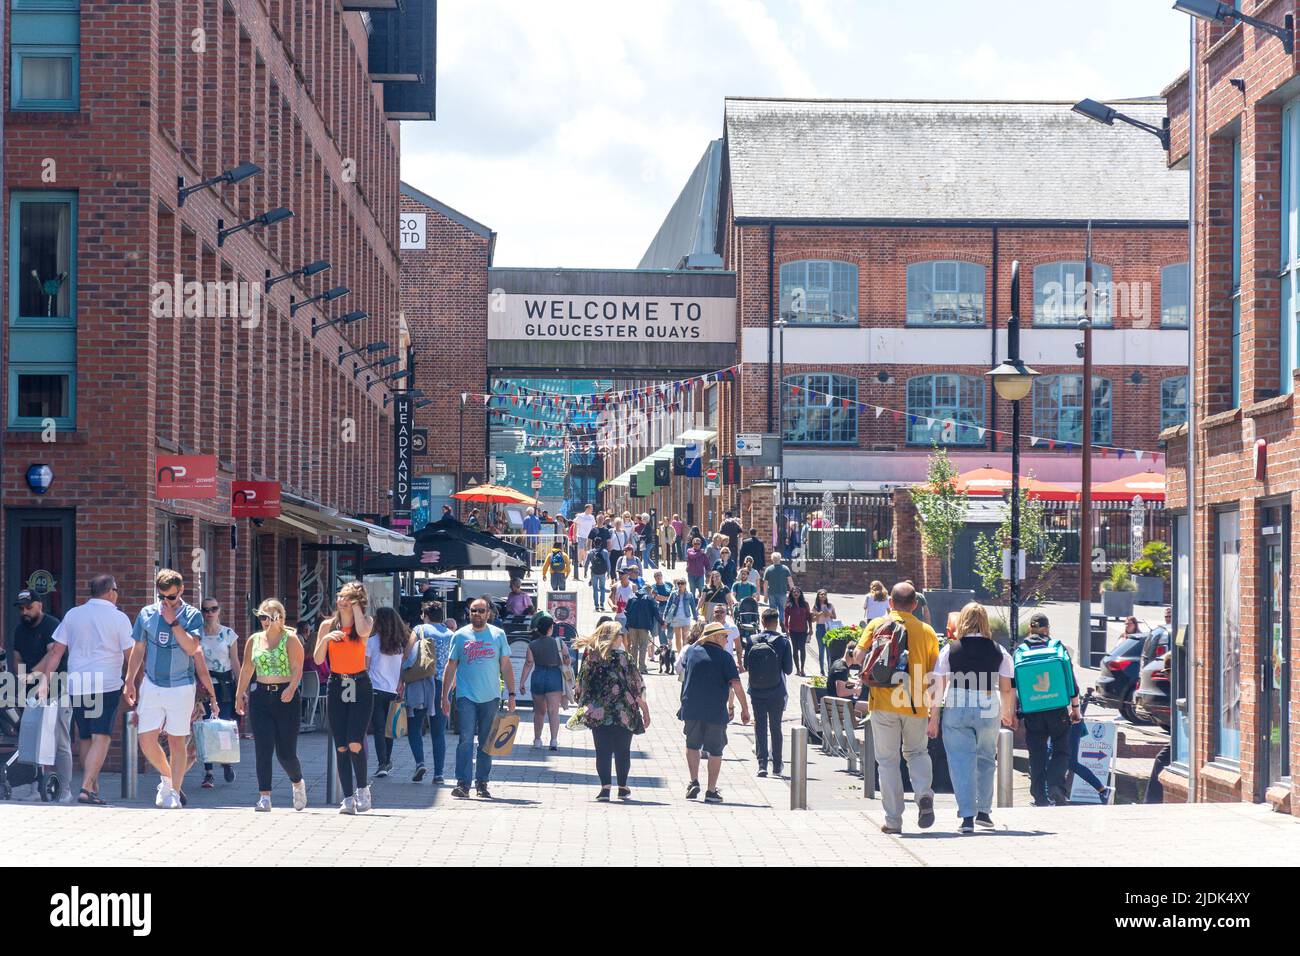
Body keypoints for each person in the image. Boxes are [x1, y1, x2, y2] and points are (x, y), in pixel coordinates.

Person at [124, 569, 220, 810]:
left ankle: (174, 792)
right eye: (162, 597)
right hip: (152, 683)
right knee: (146, 740)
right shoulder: (146, 614)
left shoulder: (192, 615)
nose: (167, 602)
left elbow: (191, 648)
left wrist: (173, 621)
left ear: (182, 591)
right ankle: (168, 780)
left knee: (178, 742)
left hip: (181, 686)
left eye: (172, 597)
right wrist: (129, 680)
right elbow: (138, 649)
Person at [33, 575, 133, 805]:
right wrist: (133, 681)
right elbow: (131, 655)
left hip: (77, 684)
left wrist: (45, 681)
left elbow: (56, 652)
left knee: (86, 736)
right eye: (116, 590)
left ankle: (92, 785)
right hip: (106, 684)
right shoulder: (119, 618)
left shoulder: (73, 614)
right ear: (109, 591)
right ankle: (87, 788)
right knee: (103, 736)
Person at [853, 582, 940, 834]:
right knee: (917, 753)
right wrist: (934, 712)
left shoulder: (877, 625)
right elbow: (934, 675)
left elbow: (858, 657)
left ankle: (893, 821)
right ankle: (923, 793)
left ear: (890, 603)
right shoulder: (927, 632)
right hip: (915, 704)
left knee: (888, 761)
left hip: (882, 702)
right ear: (915, 605)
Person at [927, 603, 1015, 834]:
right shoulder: (999, 651)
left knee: (960, 761)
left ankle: (967, 816)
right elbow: (1006, 688)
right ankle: (984, 812)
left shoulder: (950, 649)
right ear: (985, 622)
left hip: (957, 702)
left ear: (962, 621)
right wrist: (1008, 712)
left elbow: (938, 686)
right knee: (986, 757)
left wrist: (934, 718)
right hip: (987, 703)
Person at [233, 599, 307, 812]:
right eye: (262, 617)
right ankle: (264, 796)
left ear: (280, 618)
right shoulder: (254, 640)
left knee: (285, 753)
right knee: (263, 748)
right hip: (261, 698)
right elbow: (247, 668)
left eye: (270, 617)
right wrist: (240, 695)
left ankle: (297, 782)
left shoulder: (291, 639)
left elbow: (297, 668)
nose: (265, 621)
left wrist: (292, 688)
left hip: (286, 698)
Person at [441, 596, 515, 799]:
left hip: (491, 696)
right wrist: (444, 696)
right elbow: (451, 666)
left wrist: (511, 694)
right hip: (466, 696)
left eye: (481, 611)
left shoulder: (498, 635)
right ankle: (463, 783)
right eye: (474, 610)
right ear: (469, 613)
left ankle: (482, 783)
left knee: (486, 741)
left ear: (488, 613)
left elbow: (506, 665)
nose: (477, 614)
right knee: (465, 740)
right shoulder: (460, 635)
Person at [313, 581, 375, 814]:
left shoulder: (366, 623)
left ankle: (362, 789)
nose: (341, 601)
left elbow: (362, 632)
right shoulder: (328, 625)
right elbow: (319, 660)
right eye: (340, 596)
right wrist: (327, 639)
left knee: (355, 742)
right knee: (340, 746)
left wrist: (356, 606)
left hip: (359, 684)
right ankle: (347, 798)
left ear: (357, 601)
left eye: (347, 597)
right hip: (337, 683)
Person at [575, 620, 650, 800]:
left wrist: (583, 706)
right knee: (623, 751)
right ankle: (623, 787)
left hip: (599, 712)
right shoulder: (625, 658)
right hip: (624, 711)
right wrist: (645, 710)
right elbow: (637, 686)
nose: (623, 638)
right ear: (614, 638)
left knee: (602, 751)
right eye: (620, 635)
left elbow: (581, 685)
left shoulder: (591, 658)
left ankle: (605, 788)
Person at [10, 589, 72, 801]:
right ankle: (35, 789)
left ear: (40, 605)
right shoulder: (20, 630)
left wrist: (32, 674)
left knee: (60, 739)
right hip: (31, 692)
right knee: (32, 738)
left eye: (29, 607)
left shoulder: (52, 625)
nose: (25, 612)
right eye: (21, 608)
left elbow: (52, 654)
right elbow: (16, 656)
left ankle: (65, 790)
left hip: (57, 686)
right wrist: (21, 678)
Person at [678, 621, 750, 803]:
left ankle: (693, 781)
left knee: (692, 745)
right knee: (716, 750)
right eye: (725, 636)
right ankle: (711, 791)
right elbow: (736, 684)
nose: (727, 640)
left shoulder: (692, 653)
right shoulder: (725, 657)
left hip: (692, 707)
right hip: (715, 710)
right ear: (715, 637)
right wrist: (745, 709)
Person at [1017, 611, 1082, 807]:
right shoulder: (1057, 647)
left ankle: (1039, 796)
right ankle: (1056, 786)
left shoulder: (1020, 650)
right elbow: (1071, 681)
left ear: (1030, 629)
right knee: (1061, 749)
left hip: (1033, 711)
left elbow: (1014, 685)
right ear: (1047, 630)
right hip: (1057, 709)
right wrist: (1076, 708)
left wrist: (1013, 712)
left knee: (1036, 753)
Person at [405, 601, 453, 783]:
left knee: (414, 726)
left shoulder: (419, 629)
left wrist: (402, 678)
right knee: (438, 731)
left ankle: (420, 762)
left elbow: (408, 654)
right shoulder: (451, 634)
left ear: (425, 615)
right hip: (443, 685)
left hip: (421, 683)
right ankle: (439, 774)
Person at [198, 596, 240, 789]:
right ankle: (208, 773)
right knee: (206, 727)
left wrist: (241, 689)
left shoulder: (229, 634)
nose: (209, 613)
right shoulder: (197, 634)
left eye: (213, 609)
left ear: (219, 611)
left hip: (224, 685)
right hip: (205, 686)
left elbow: (235, 662)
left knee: (223, 726)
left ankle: (226, 761)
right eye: (205, 610)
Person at [745, 607, 793, 778]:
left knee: (760, 726)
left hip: (756, 690)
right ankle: (777, 765)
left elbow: (746, 665)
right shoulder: (783, 642)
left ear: (762, 622)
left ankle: (762, 764)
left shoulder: (751, 640)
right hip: (776, 690)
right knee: (775, 728)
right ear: (777, 622)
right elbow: (788, 669)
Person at [367, 607, 408, 778]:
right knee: (389, 728)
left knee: (378, 728)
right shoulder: (401, 643)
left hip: (375, 688)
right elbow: (405, 667)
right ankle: (387, 760)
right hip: (394, 690)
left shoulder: (372, 641)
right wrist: (401, 683)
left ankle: (382, 763)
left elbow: (365, 667)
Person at [517, 612, 564, 750]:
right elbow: (566, 659)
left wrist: (522, 682)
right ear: (550, 628)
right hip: (554, 676)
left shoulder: (533, 644)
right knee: (553, 710)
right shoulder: (558, 642)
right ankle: (553, 741)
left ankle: (537, 740)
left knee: (539, 711)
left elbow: (528, 663)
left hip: (538, 675)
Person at [624, 584, 660, 674]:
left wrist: (630, 620)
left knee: (634, 646)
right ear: (649, 590)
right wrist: (662, 622)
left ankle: (632, 667)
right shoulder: (649, 599)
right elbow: (656, 612)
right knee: (643, 646)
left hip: (632, 626)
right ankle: (642, 668)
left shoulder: (632, 597)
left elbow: (626, 611)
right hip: (644, 627)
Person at [665, 577, 699, 653]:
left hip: (686, 617)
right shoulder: (673, 594)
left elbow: (693, 607)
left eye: (682, 583)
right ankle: (679, 654)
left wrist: (696, 618)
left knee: (685, 638)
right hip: (675, 617)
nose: (680, 585)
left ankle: (684, 654)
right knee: (677, 637)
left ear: (685, 584)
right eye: (678, 583)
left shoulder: (689, 595)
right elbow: (668, 605)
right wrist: (665, 618)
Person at [784, 586, 812, 677]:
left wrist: (811, 628)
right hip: (793, 630)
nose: (796, 593)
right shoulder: (788, 605)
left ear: (800, 594)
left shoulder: (805, 604)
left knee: (802, 648)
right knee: (795, 650)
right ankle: (797, 669)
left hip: (803, 630)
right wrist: (786, 629)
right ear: (791, 594)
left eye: (797, 592)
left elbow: (808, 617)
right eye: (794, 592)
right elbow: (786, 618)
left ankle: (803, 668)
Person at [762, 553, 794, 626]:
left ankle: (773, 624)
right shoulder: (785, 568)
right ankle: (782, 621)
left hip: (772, 593)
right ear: (780, 559)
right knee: (782, 609)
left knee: (773, 610)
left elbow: (765, 584)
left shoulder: (768, 569)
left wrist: (765, 595)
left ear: (772, 559)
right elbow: (790, 581)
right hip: (782, 592)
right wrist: (792, 591)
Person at [812, 589, 837, 677]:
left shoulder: (830, 605)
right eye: (821, 594)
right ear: (818, 596)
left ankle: (830, 669)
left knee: (829, 650)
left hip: (829, 627)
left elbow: (834, 616)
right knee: (821, 650)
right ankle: (822, 670)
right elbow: (812, 620)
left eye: (824, 594)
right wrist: (819, 614)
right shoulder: (816, 606)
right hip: (820, 627)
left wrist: (828, 614)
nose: (823, 596)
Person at [651, 570, 674, 650]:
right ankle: (664, 645)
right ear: (654, 578)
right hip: (660, 608)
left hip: (670, 609)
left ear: (662, 576)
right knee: (662, 627)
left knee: (671, 626)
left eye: (659, 575)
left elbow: (674, 595)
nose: (658, 577)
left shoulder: (669, 584)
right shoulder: (653, 587)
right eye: (656, 575)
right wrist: (668, 598)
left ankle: (670, 640)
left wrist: (666, 598)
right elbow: (657, 597)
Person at [585, 543, 610, 611]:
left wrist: (585, 572)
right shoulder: (605, 552)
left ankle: (596, 606)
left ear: (594, 543)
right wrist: (608, 572)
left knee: (595, 589)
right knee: (602, 588)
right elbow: (608, 562)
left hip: (594, 572)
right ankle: (602, 604)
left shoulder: (591, 552)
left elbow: (586, 562)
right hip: (602, 572)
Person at [573, 504, 596, 577]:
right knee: (581, 549)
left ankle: (585, 562)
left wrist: (594, 535)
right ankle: (579, 562)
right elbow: (575, 525)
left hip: (589, 536)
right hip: (581, 535)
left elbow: (593, 526)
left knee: (587, 550)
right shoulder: (580, 516)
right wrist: (574, 535)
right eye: (591, 509)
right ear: (587, 508)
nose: (592, 510)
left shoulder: (592, 517)